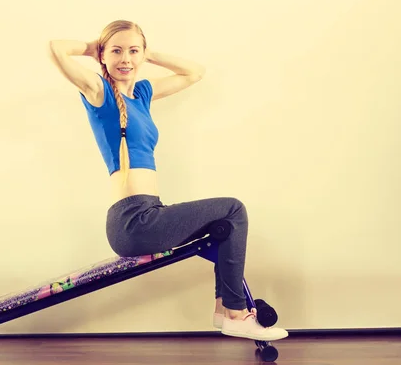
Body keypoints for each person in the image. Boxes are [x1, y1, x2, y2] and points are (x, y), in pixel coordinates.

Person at [48, 20, 288, 341]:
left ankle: (225, 310)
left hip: (150, 212)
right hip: (133, 221)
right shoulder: (98, 92)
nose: (126, 59)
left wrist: (147, 54)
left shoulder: (143, 94)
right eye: (116, 51)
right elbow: (56, 49)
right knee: (233, 209)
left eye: (133, 51)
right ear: (103, 56)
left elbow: (194, 72)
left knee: (226, 225)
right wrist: (93, 48)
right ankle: (234, 313)